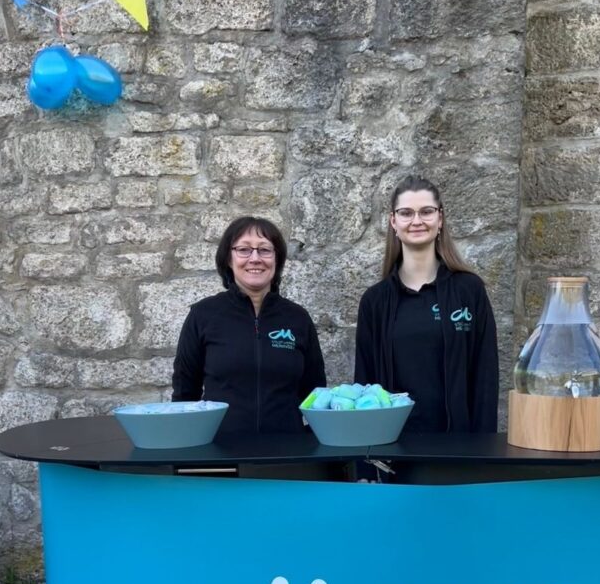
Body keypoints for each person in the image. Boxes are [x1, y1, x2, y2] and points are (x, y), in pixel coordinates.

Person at [354, 174, 498, 433]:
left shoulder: (469, 290)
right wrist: (367, 466)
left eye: (427, 212)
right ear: (393, 222)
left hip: (458, 451)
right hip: (393, 452)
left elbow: (485, 379)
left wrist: (482, 454)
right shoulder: (374, 302)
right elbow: (365, 388)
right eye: (406, 213)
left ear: (440, 219)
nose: (417, 221)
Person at [172, 216, 326, 433]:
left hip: (288, 453)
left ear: (277, 260)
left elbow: (316, 395)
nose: (255, 258)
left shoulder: (298, 318)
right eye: (243, 249)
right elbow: (184, 395)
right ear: (228, 258)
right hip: (220, 456)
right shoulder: (203, 316)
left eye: (265, 250)